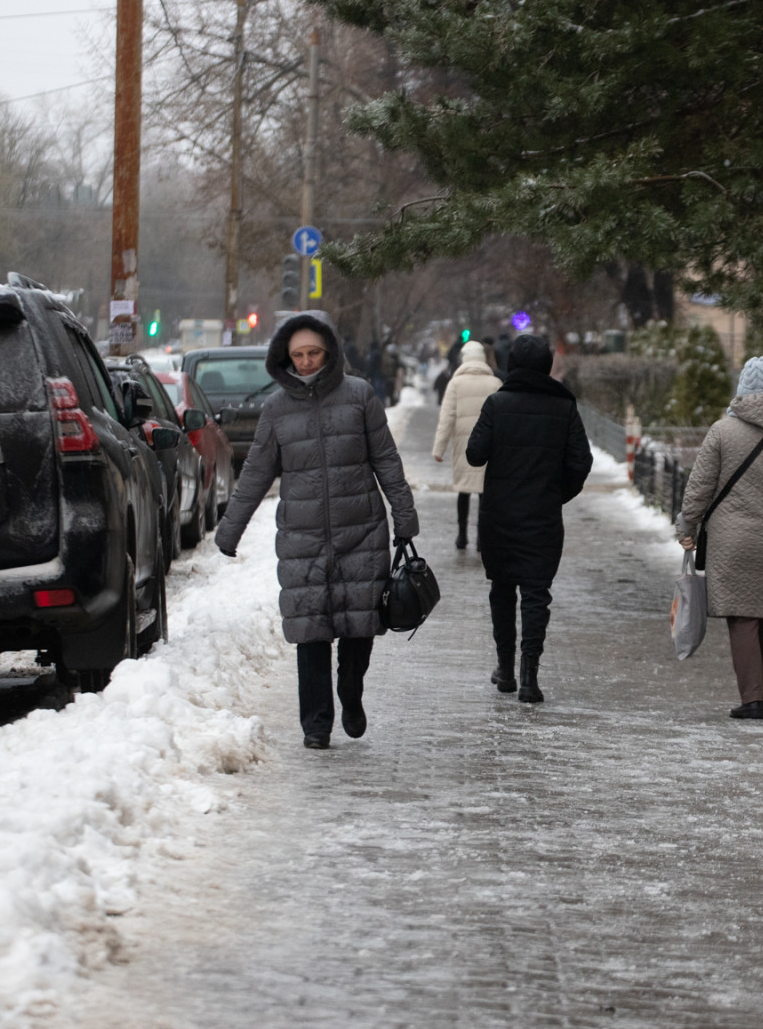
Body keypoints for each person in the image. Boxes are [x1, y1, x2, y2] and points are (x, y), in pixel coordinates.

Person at [213, 310, 419, 750]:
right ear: (285, 358)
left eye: (313, 353)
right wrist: (229, 530)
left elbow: (386, 460)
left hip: (361, 530)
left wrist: (405, 517)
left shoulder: (360, 396)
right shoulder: (275, 409)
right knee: (310, 632)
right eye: (298, 355)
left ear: (329, 352)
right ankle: (316, 724)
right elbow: (255, 473)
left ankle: (350, 691)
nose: (306, 362)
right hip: (303, 538)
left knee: (359, 626)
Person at [675, 356, 763, 719]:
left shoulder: (721, 432)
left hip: (732, 542)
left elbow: (699, 488)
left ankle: (752, 698)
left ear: (741, 392)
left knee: (742, 617)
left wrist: (687, 526)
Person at [464, 332, 593, 703]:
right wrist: (555, 494)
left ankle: (505, 668)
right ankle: (529, 678)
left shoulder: (496, 404)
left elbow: (475, 454)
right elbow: (581, 462)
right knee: (537, 594)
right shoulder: (564, 407)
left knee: (502, 591)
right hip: (543, 518)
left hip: (499, 516)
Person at [431, 339, 500, 550]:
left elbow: (447, 418)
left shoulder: (455, 384)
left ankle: (461, 536)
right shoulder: (495, 384)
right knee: (483, 492)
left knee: (463, 491)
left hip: (463, 446)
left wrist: (439, 449)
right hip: (488, 447)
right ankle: (481, 537)